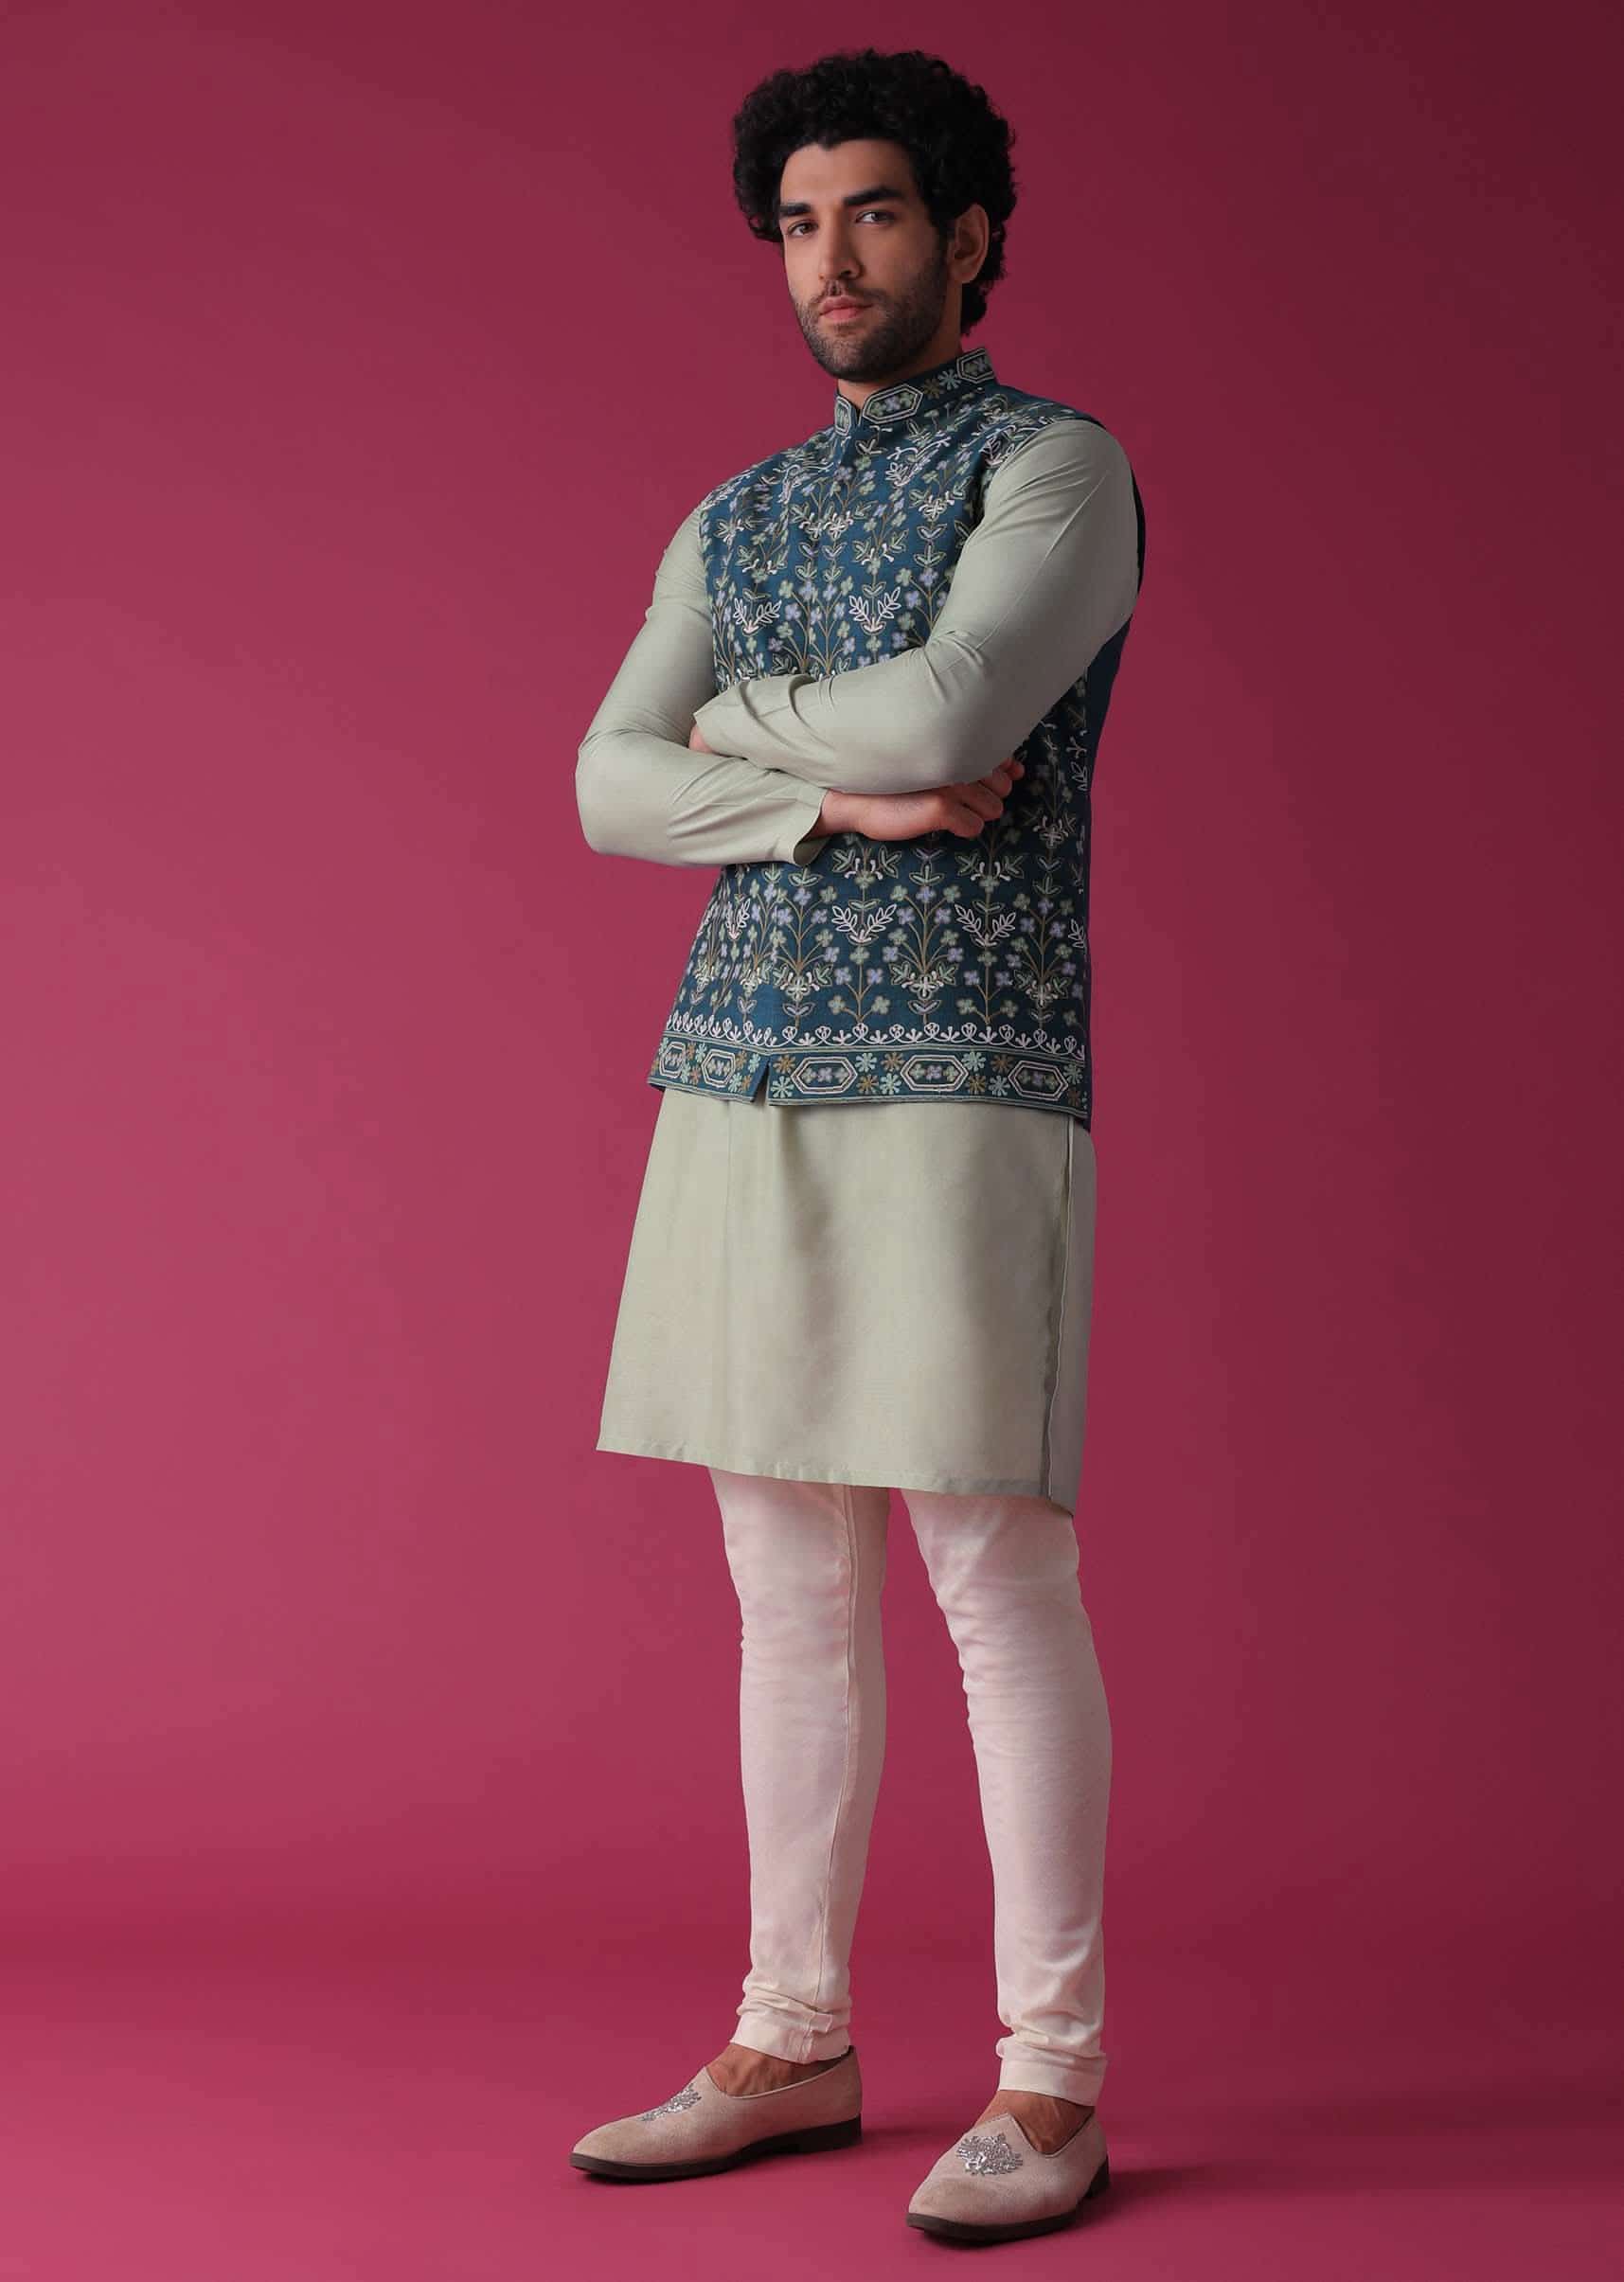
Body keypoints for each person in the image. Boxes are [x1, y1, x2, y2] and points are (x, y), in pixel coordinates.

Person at [569, 45, 1145, 2245]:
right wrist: (842, 789)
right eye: (802, 222)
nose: (833, 257)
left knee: (995, 1575)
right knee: (783, 1584)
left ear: (969, 234)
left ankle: (1051, 2079)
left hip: (966, 1065)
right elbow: (599, 783)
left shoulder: (1055, 468)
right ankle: (791, 2033)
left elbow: (957, 710)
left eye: (877, 212)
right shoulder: (734, 515)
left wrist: (737, 730)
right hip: (738, 1065)